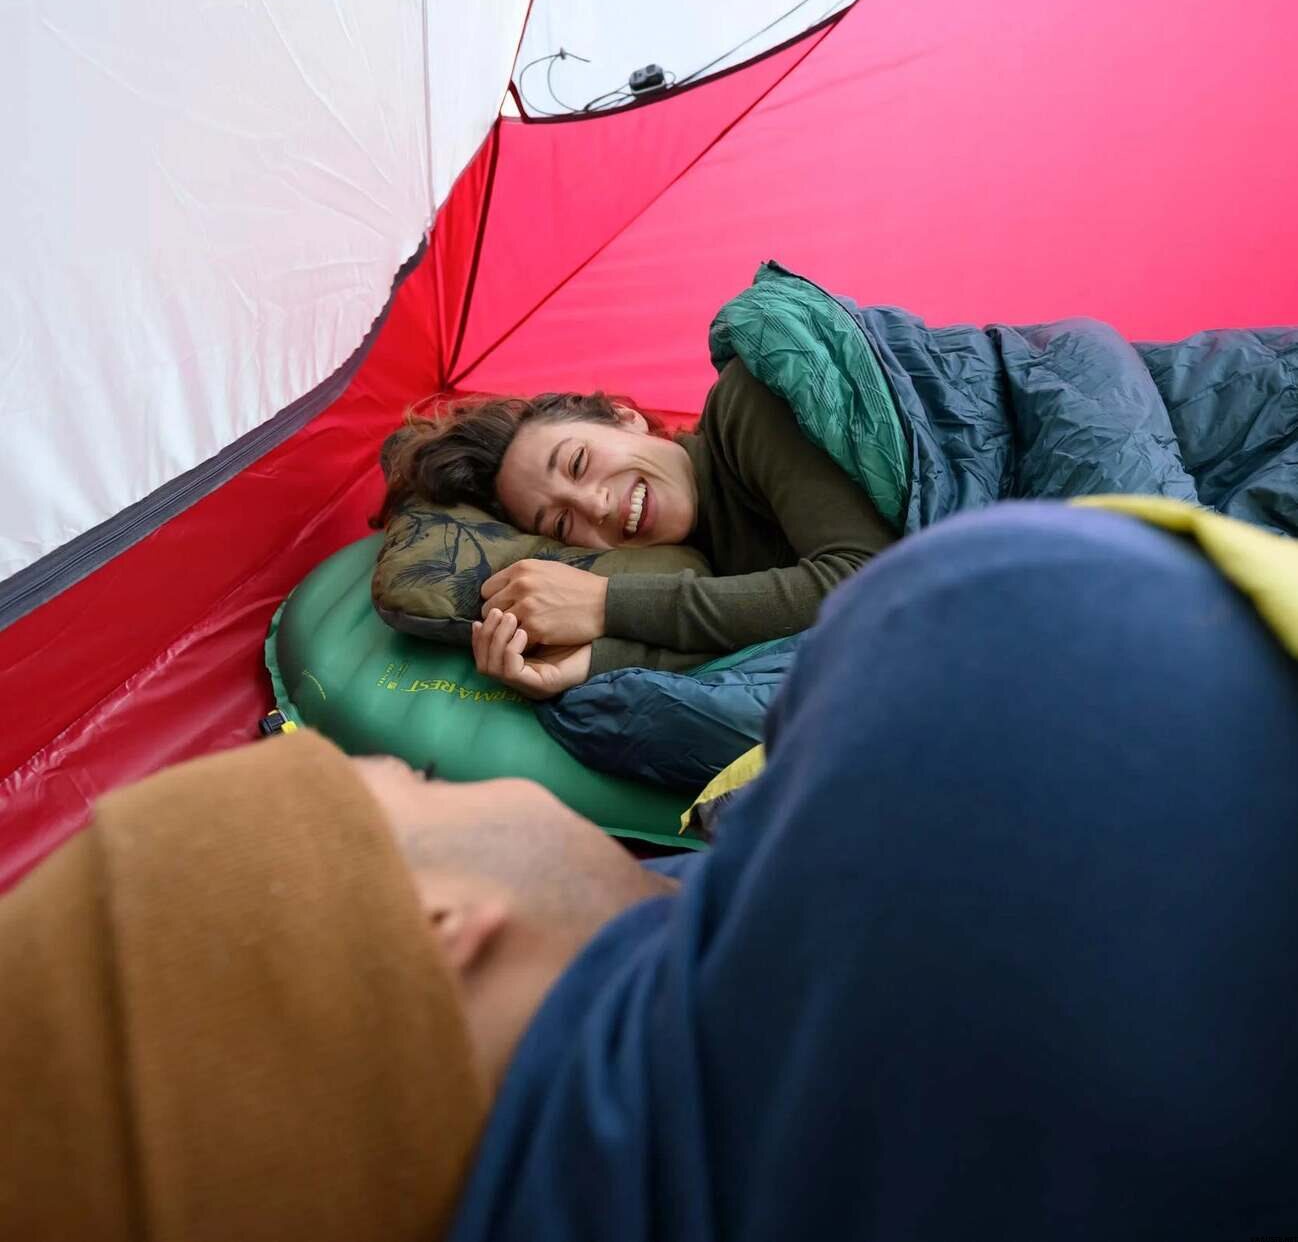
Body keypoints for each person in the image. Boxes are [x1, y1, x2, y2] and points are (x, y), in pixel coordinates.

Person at [5, 502, 1298, 1240]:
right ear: (436, 921)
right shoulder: (993, 668)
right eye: (394, 787)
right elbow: (1020, 606)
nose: (417, 770)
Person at [375, 359, 898, 696]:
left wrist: (605, 603)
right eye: (562, 522)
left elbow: (871, 583)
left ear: (626, 417)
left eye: (578, 462)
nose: (595, 505)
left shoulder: (747, 399)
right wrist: (586, 663)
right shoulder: (701, 566)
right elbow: (743, 631)